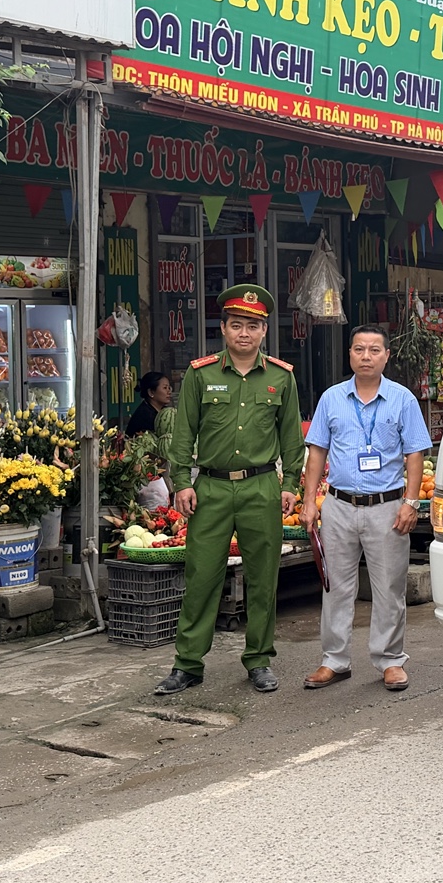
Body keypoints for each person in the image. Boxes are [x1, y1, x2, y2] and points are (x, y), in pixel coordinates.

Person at [155, 285, 305, 696]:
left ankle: (258, 659)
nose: (244, 333)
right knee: (202, 574)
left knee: (263, 578)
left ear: (264, 331)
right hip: (212, 489)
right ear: (222, 329)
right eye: (236, 325)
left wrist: (291, 483)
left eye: (253, 326)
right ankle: (187, 663)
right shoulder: (201, 375)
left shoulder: (280, 377)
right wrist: (182, 483)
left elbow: (291, 437)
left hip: (261, 487)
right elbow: (183, 434)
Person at [301, 325, 431, 693]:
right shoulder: (331, 398)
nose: (366, 356)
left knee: (388, 587)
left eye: (374, 350)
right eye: (359, 349)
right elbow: (317, 452)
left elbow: (415, 453)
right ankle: (334, 661)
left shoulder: (402, 399)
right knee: (336, 587)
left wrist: (410, 501)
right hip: (339, 506)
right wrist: (310, 502)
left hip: (386, 508)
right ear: (350, 355)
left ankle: (390, 661)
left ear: (386, 356)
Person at [126, 371, 172, 437]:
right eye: (165, 388)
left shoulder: (163, 411)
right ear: (151, 392)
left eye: (169, 388)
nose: (169, 392)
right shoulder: (145, 416)